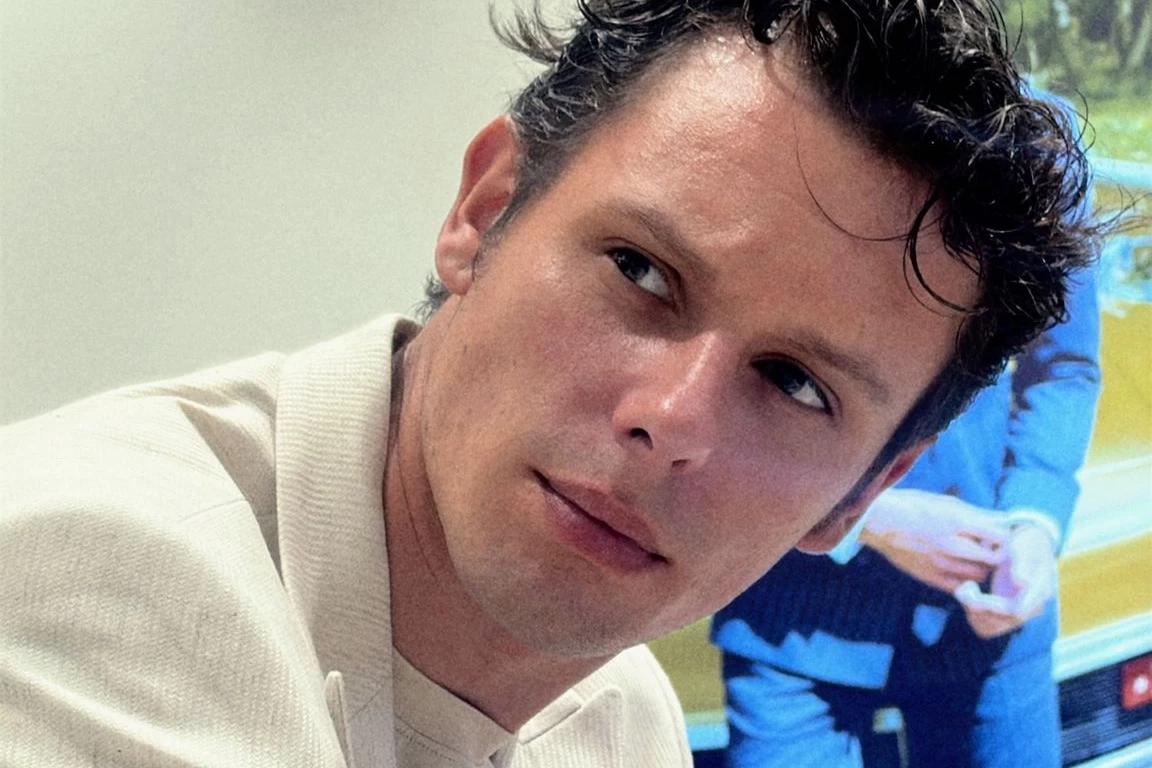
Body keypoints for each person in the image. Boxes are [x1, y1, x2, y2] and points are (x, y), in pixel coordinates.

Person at [0, 1, 1100, 766]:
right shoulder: (82, 580)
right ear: (483, 211)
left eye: (796, 384)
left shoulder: (623, 719)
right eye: (640, 271)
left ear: (862, 492)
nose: (670, 419)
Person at [712, 265, 1101, 767]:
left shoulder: (1059, 208)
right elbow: (726, 368)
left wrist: (1034, 522)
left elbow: (1064, 367)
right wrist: (866, 516)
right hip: (791, 616)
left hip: (987, 603)